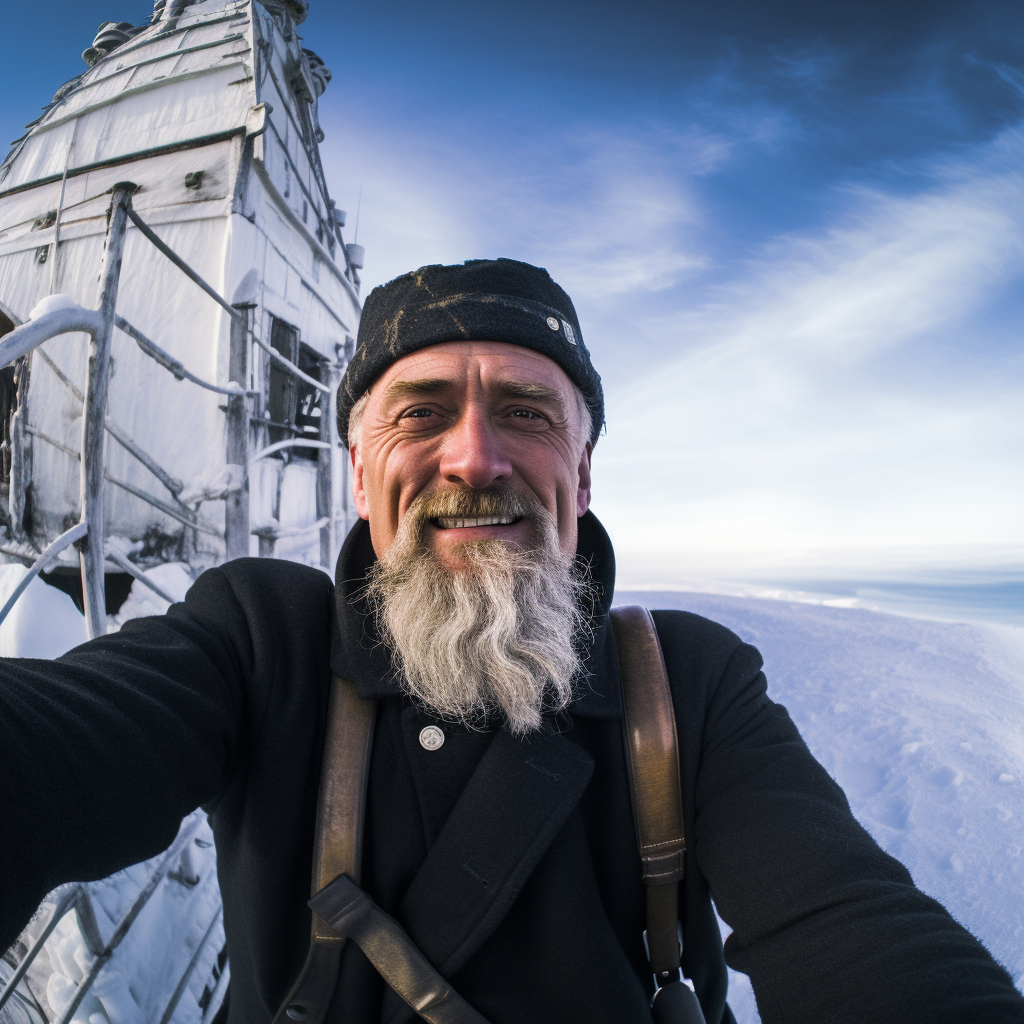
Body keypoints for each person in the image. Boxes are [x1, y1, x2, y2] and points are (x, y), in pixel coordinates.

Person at [1, 259, 1022, 1024]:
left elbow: (848, 920)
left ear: (582, 474)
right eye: (421, 412)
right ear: (360, 475)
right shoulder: (259, 640)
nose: (476, 456)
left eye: (526, 412)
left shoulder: (690, 684)